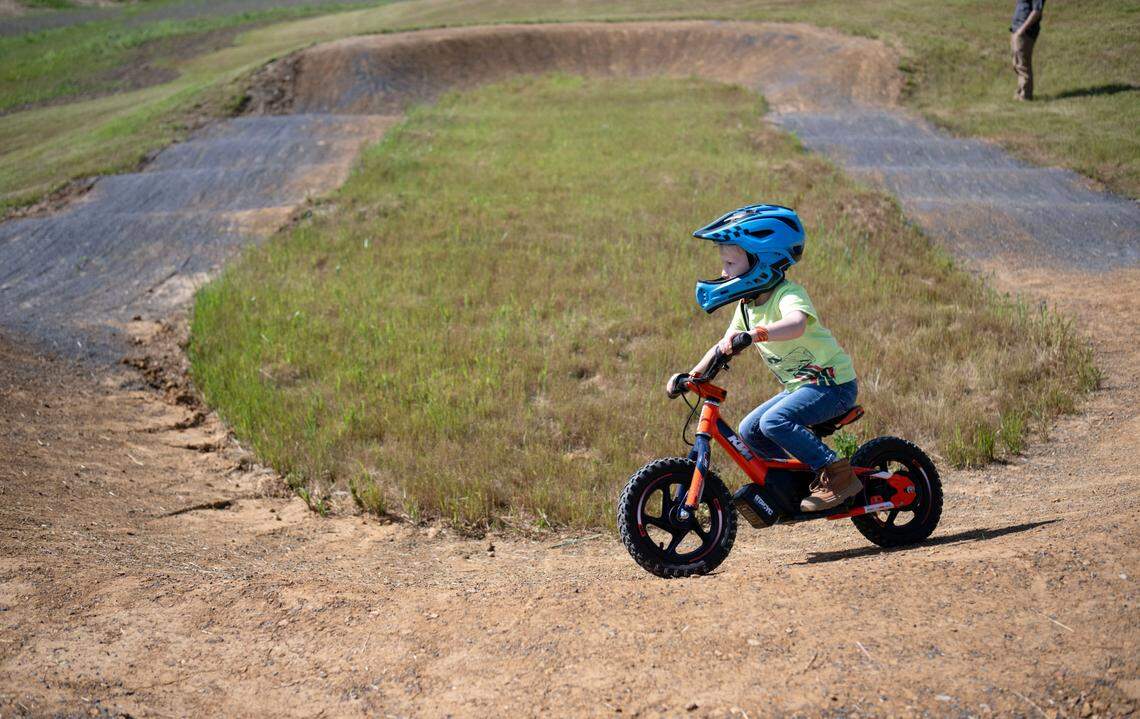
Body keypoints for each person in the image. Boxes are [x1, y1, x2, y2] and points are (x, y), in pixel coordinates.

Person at [678, 204, 860, 511]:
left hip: (833, 386)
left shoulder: (787, 294)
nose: (724, 272)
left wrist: (757, 334)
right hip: (801, 389)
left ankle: (836, 474)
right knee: (750, 429)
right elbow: (722, 345)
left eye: (730, 263)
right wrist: (691, 376)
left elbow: (796, 323)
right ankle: (791, 485)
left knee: (775, 421)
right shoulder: (747, 308)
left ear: (762, 261)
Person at [1011, 0, 1045, 101]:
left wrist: (1022, 30)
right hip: (1016, 29)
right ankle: (1020, 91)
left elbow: (1037, 11)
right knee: (1016, 63)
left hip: (1025, 32)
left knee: (1023, 64)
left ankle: (1025, 96)